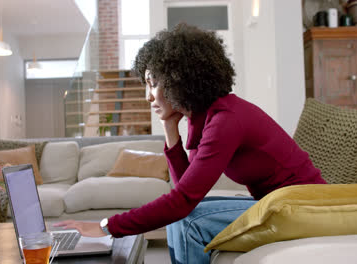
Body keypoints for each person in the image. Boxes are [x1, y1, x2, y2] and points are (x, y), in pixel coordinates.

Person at [54, 23, 327, 264]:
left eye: (152, 84)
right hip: (275, 203)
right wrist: (170, 127)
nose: (149, 97)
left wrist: (106, 226)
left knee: (189, 221)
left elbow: (183, 202)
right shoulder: (203, 118)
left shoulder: (226, 120)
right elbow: (186, 189)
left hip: (301, 208)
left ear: (178, 80)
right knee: (183, 215)